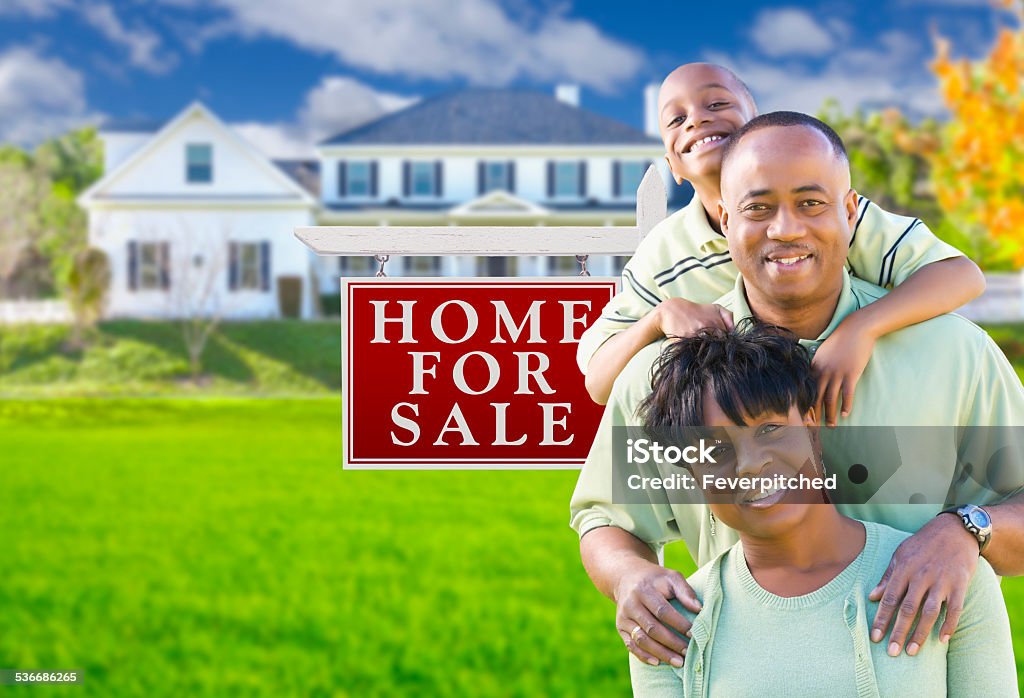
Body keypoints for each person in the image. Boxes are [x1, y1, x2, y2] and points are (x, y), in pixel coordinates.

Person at [570, 112, 1024, 672]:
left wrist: (967, 531)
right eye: (758, 208)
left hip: (919, 672)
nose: (785, 229)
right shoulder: (665, 375)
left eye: (811, 203)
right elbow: (607, 518)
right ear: (724, 217)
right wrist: (630, 577)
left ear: (850, 211)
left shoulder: (955, 354)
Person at [578, 63, 986, 429]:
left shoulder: (830, 215)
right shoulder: (665, 253)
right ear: (674, 167)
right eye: (677, 118)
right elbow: (598, 381)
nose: (697, 120)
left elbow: (961, 276)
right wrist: (659, 318)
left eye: (717, 103)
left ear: (759, 125)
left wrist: (860, 328)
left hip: (858, 411)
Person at [628, 324, 1017, 697]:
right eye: (715, 451)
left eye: (769, 429)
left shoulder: (946, 577)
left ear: (810, 422)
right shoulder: (667, 623)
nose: (749, 464)